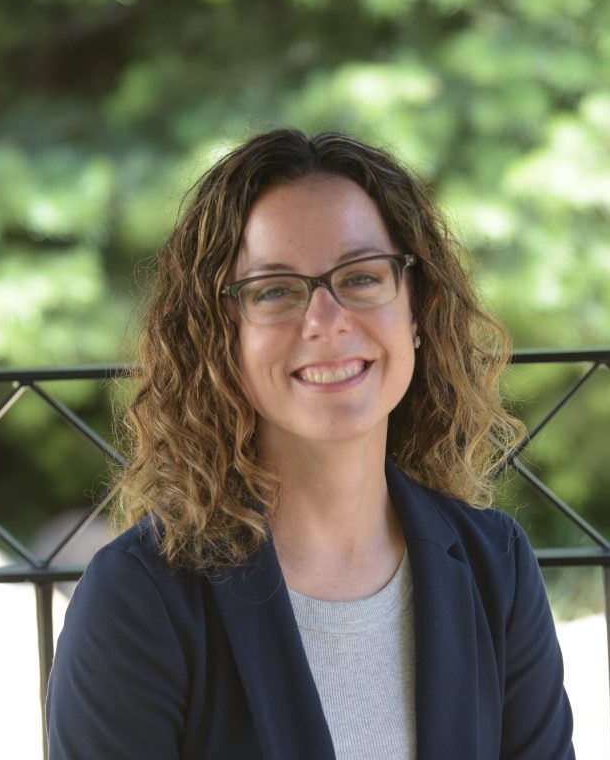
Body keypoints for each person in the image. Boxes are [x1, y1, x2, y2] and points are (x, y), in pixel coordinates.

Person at [46, 128, 575, 759]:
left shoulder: (498, 567)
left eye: (361, 277)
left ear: (415, 310)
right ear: (223, 337)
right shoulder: (139, 598)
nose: (326, 321)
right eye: (275, 290)